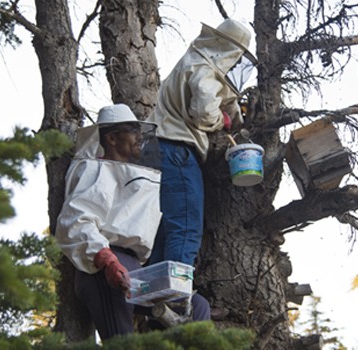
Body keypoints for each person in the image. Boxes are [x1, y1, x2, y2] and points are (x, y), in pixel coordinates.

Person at [55, 103, 209, 341]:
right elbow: (76, 220)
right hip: (102, 268)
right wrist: (107, 262)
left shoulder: (136, 175)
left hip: (137, 269)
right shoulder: (94, 169)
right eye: (132, 131)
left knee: (196, 306)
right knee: (122, 343)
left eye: (140, 131)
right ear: (113, 138)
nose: (140, 137)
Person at [146, 18, 257, 268]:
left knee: (163, 229)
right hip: (177, 150)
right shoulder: (204, 69)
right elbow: (205, 110)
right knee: (186, 228)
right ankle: (175, 297)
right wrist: (224, 120)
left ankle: (154, 296)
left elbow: (222, 95)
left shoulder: (195, 60)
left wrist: (238, 115)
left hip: (158, 148)